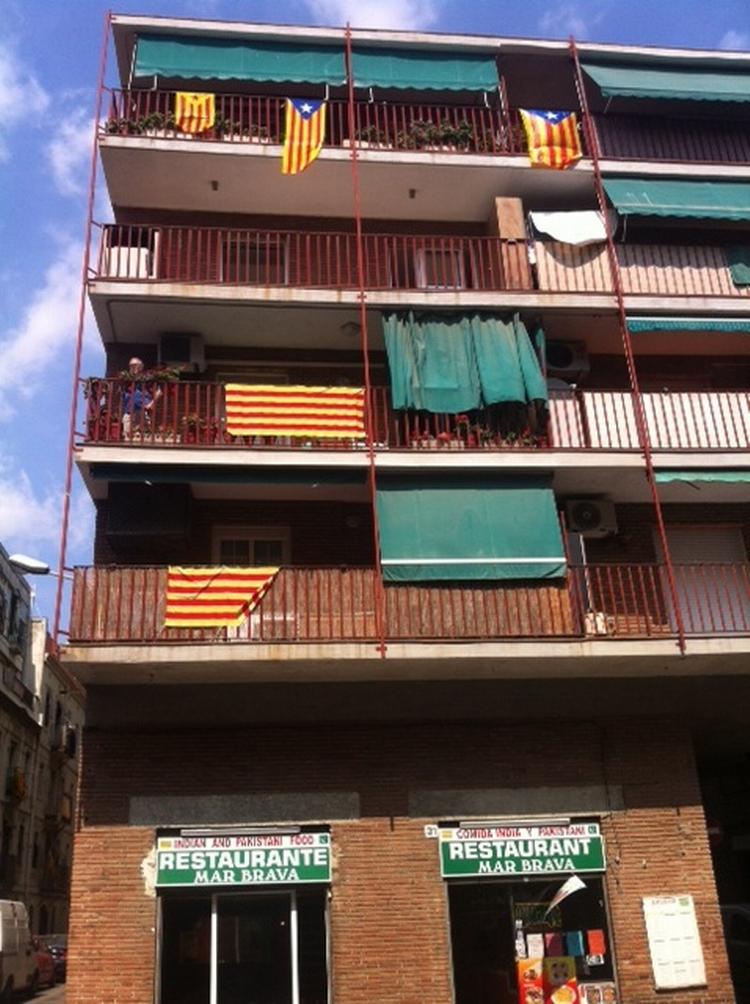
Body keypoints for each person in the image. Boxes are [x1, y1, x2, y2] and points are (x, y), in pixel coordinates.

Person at [121, 357, 162, 436]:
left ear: (141, 366)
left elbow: (159, 391)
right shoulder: (126, 380)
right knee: (127, 437)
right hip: (129, 413)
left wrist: (151, 404)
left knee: (144, 436)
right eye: (131, 365)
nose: (133, 367)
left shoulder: (147, 378)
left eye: (135, 365)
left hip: (143, 411)